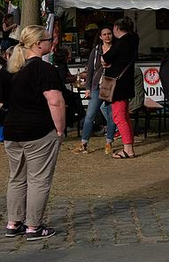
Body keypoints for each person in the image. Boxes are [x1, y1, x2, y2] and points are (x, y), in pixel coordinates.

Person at [2, 25, 66, 240]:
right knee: (38, 179)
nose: (52, 42)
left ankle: (14, 222)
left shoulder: (10, 68)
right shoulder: (43, 69)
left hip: (13, 130)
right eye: (49, 39)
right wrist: (60, 129)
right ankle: (34, 226)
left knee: (17, 178)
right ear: (39, 44)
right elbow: (55, 101)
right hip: (38, 131)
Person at [74, 26, 117, 155]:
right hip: (97, 86)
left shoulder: (116, 49)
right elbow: (91, 71)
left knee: (111, 116)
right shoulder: (96, 50)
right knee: (90, 115)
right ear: (100, 37)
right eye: (104, 34)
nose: (107, 36)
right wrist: (88, 88)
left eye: (109, 34)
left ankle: (109, 142)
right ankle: (84, 143)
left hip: (111, 86)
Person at [102, 17, 139, 159]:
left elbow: (105, 58)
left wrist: (106, 59)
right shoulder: (133, 39)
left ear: (117, 28)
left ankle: (128, 148)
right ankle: (128, 146)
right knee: (125, 116)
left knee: (119, 117)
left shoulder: (120, 43)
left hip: (118, 85)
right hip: (126, 82)